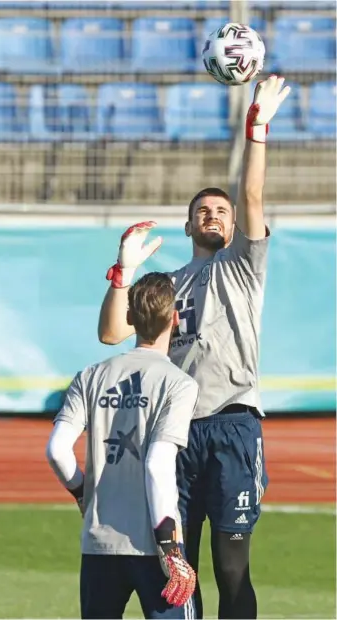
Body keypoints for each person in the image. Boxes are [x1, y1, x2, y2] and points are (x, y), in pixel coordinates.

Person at [98, 75, 291, 620]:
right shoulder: (166, 284)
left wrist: (256, 126)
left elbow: (251, 193)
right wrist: (123, 272)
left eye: (222, 211)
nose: (214, 214)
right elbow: (113, 334)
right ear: (188, 224)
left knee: (231, 569)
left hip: (233, 427)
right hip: (175, 432)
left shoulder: (243, 267)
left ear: (234, 227)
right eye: (203, 210)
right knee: (176, 570)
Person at [46, 272, 200, 620]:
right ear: (175, 318)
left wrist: (81, 493)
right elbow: (157, 463)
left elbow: (57, 450)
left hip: (100, 541)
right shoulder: (179, 383)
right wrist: (170, 546)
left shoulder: (90, 375)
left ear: (129, 319)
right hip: (154, 544)